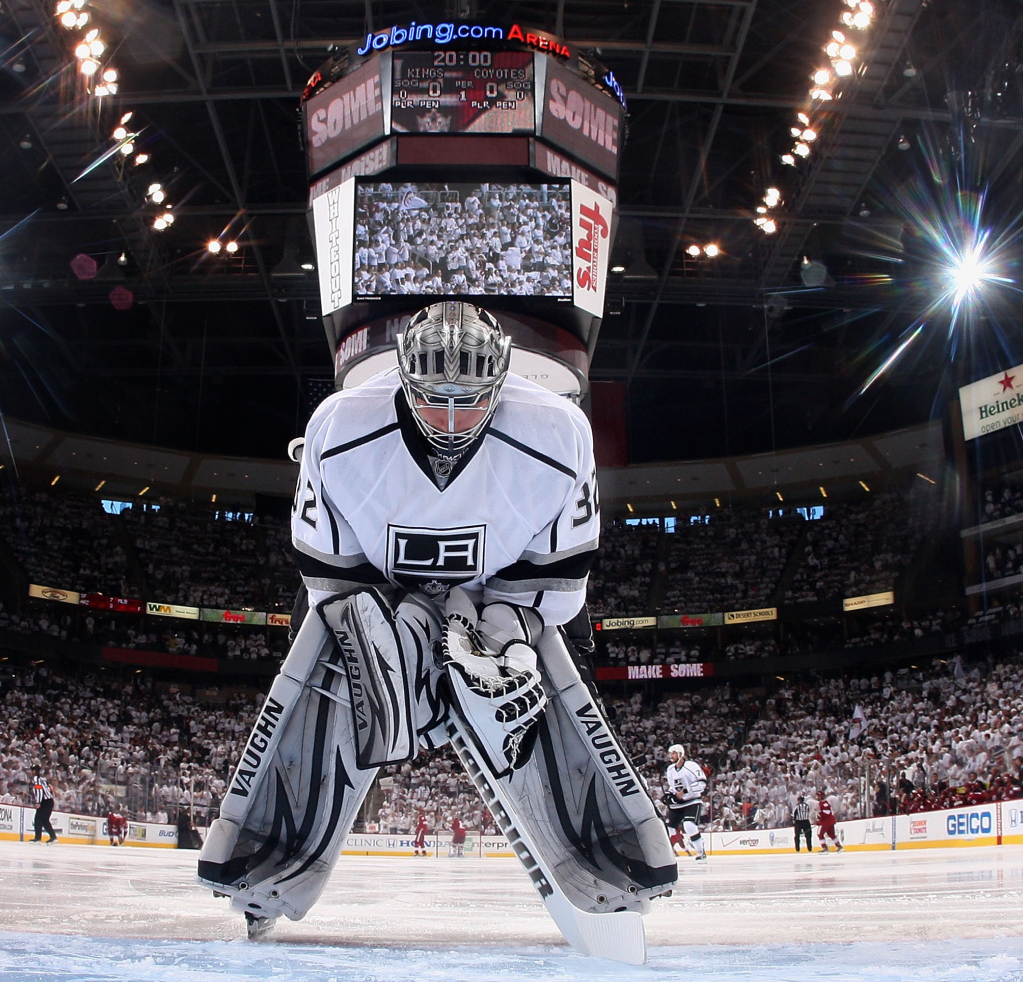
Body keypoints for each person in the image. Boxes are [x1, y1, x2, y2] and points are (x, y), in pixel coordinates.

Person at [198, 302, 676, 956]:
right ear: (402, 380)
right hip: (379, 590)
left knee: (547, 671)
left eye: (470, 402)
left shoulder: (560, 431)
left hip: (504, 593)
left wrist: (500, 632)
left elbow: (560, 582)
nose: (450, 420)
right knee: (338, 654)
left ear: (501, 386)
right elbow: (332, 585)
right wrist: (398, 644)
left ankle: (598, 842)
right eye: (432, 399)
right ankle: (271, 864)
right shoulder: (339, 426)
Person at [664, 744, 707, 861]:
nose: (671, 756)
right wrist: (669, 795)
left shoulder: (691, 766)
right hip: (678, 804)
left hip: (692, 801)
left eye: (673, 753)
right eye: (670, 753)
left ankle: (700, 852)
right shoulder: (670, 769)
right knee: (668, 828)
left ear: (680, 754)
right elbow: (672, 787)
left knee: (689, 825)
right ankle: (666, 853)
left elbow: (702, 783)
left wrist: (685, 791)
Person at [31, 765, 56, 843]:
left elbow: (39, 790)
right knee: (45, 820)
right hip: (49, 800)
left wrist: (38, 802)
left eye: (32, 770)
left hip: (44, 801)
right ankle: (53, 837)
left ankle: (37, 838)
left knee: (38, 819)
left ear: (34, 771)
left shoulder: (36, 779)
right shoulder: (43, 779)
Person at [816, 788, 842, 853]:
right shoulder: (825, 802)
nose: (817, 797)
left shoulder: (823, 803)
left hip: (825, 822)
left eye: (818, 796)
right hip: (830, 821)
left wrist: (819, 818)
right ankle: (839, 846)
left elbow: (826, 812)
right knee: (831, 834)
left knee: (820, 834)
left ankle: (824, 848)